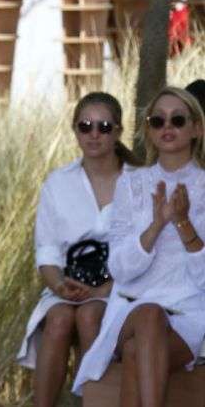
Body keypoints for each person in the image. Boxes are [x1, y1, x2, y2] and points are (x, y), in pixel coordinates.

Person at [72, 86, 205, 406]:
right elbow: (119, 268)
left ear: (197, 128)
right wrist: (156, 226)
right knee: (149, 315)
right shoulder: (130, 184)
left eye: (177, 120)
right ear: (149, 131)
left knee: (136, 351)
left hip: (189, 313)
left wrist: (183, 223)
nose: (167, 127)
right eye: (158, 120)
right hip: (131, 309)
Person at [17, 92, 138, 406]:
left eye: (104, 127)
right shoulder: (57, 183)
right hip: (67, 286)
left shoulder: (140, 182)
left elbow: (144, 251)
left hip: (123, 286)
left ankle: (95, 402)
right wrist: (60, 285)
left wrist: (104, 290)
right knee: (59, 319)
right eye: (85, 126)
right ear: (75, 130)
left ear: (118, 131)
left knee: (89, 316)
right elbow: (47, 253)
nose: (94, 134)